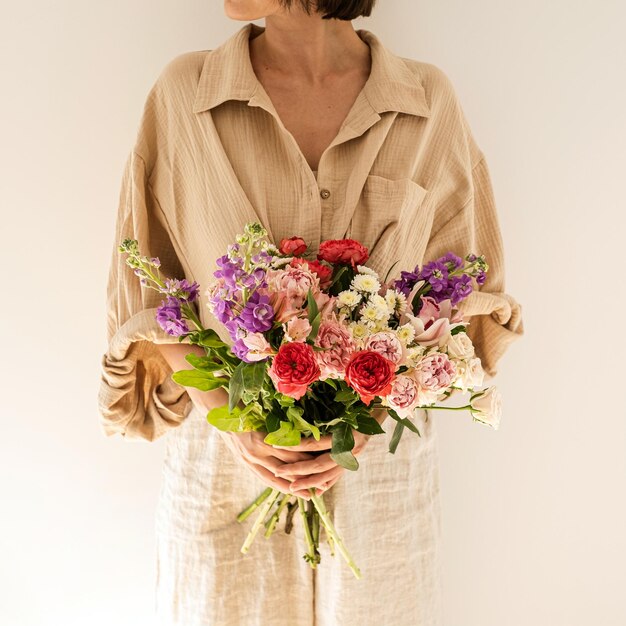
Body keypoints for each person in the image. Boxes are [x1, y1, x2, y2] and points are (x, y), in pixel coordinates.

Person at [98, 1, 524, 624]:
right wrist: (236, 419)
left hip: (377, 469)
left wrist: (364, 410)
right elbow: (148, 293)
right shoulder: (183, 97)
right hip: (224, 465)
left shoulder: (426, 102)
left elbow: (466, 290)